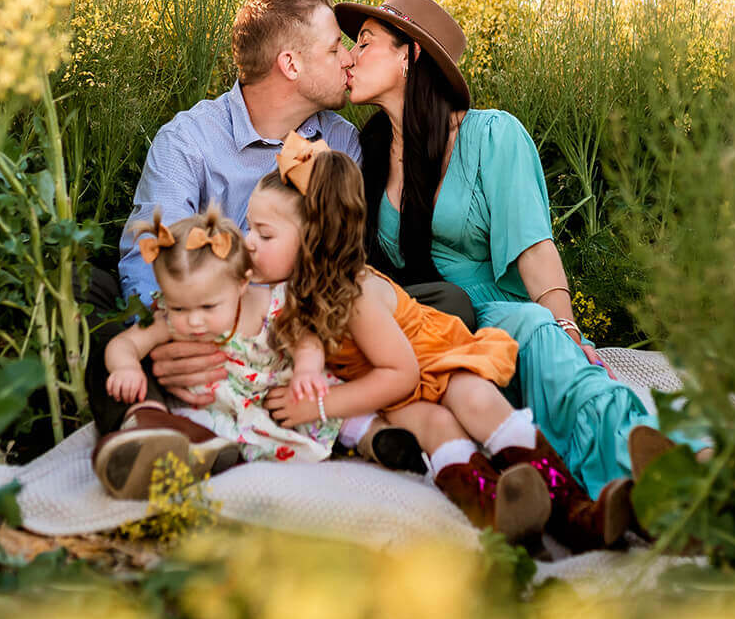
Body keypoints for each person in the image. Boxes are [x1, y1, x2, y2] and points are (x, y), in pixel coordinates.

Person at [83, 0, 474, 473]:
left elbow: (342, 256)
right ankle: (149, 420)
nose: (349, 59)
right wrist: (176, 334)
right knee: (92, 287)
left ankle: (342, 418)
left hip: (297, 323)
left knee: (448, 302)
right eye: (336, 49)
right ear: (290, 64)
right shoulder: (189, 139)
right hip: (206, 313)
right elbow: (149, 249)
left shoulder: (340, 142)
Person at [334, 0, 703, 502]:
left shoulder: (491, 136)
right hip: (427, 335)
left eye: (366, 42)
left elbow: (533, 249)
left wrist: (567, 326)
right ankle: (641, 474)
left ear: (409, 55)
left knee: (539, 333)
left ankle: (670, 463)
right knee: (531, 339)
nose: (350, 56)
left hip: (498, 322)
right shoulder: (364, 154)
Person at [245, 133, 597, 542]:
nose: (248, 242)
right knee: (433, 425)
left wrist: (320, 405)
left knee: (474, 401)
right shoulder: (285, 293)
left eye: (264, 234)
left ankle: (576, 510)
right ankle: (499, 519)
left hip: (426, 358)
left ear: (312, 241)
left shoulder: (351, 295)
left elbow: (403, 372)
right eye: (248, 228)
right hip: (385, 381)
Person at [93, 207, 343, 498]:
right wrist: (126, 368)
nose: (194, 320)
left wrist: (306, 369)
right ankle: (201, 457)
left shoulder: (266, 304)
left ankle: (363, 435)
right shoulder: (167, 317)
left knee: (325, 400)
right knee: (190, 431)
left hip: (271, 401)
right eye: (179, 307)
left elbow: (306, 338)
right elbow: (124, 344)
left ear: (241, 284)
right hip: (214, 410)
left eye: (208, 307)